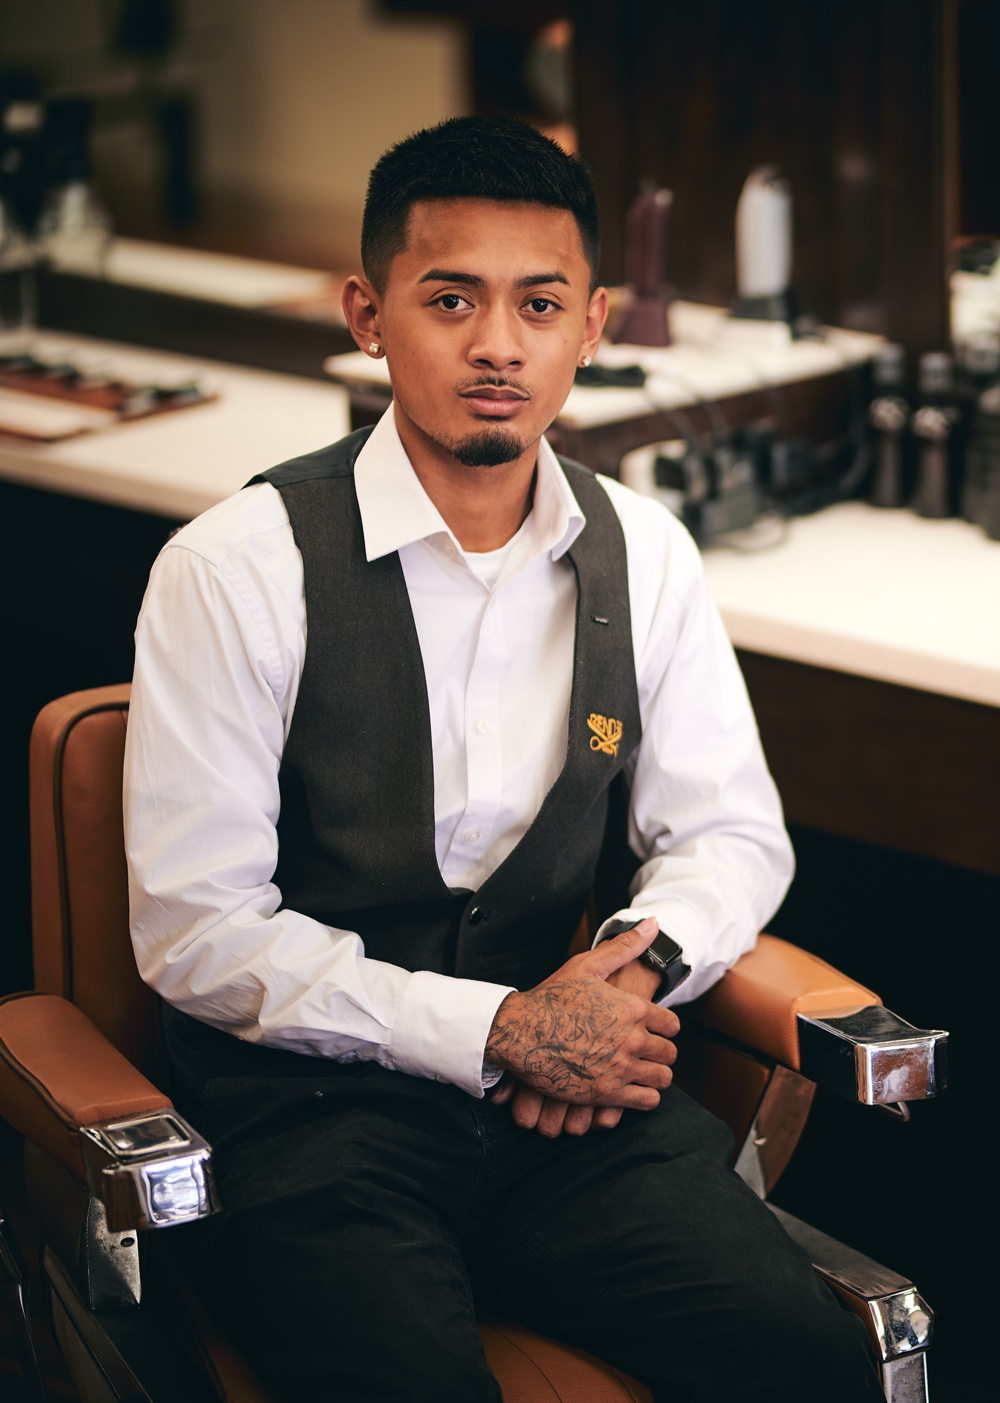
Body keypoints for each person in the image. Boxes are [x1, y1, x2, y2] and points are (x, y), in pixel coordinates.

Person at [124, 116, 883, 1402]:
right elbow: (197, 926)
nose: (497, 344)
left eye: (538, 304)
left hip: (565, 1117)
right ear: (368, 316)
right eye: (450, 299)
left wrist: (620, 979)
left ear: (591, 327)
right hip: (311, 1116)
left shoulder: (644, 551)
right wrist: (499, 1029)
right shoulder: (235, 567)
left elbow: (728, 833)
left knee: (806, 1357)